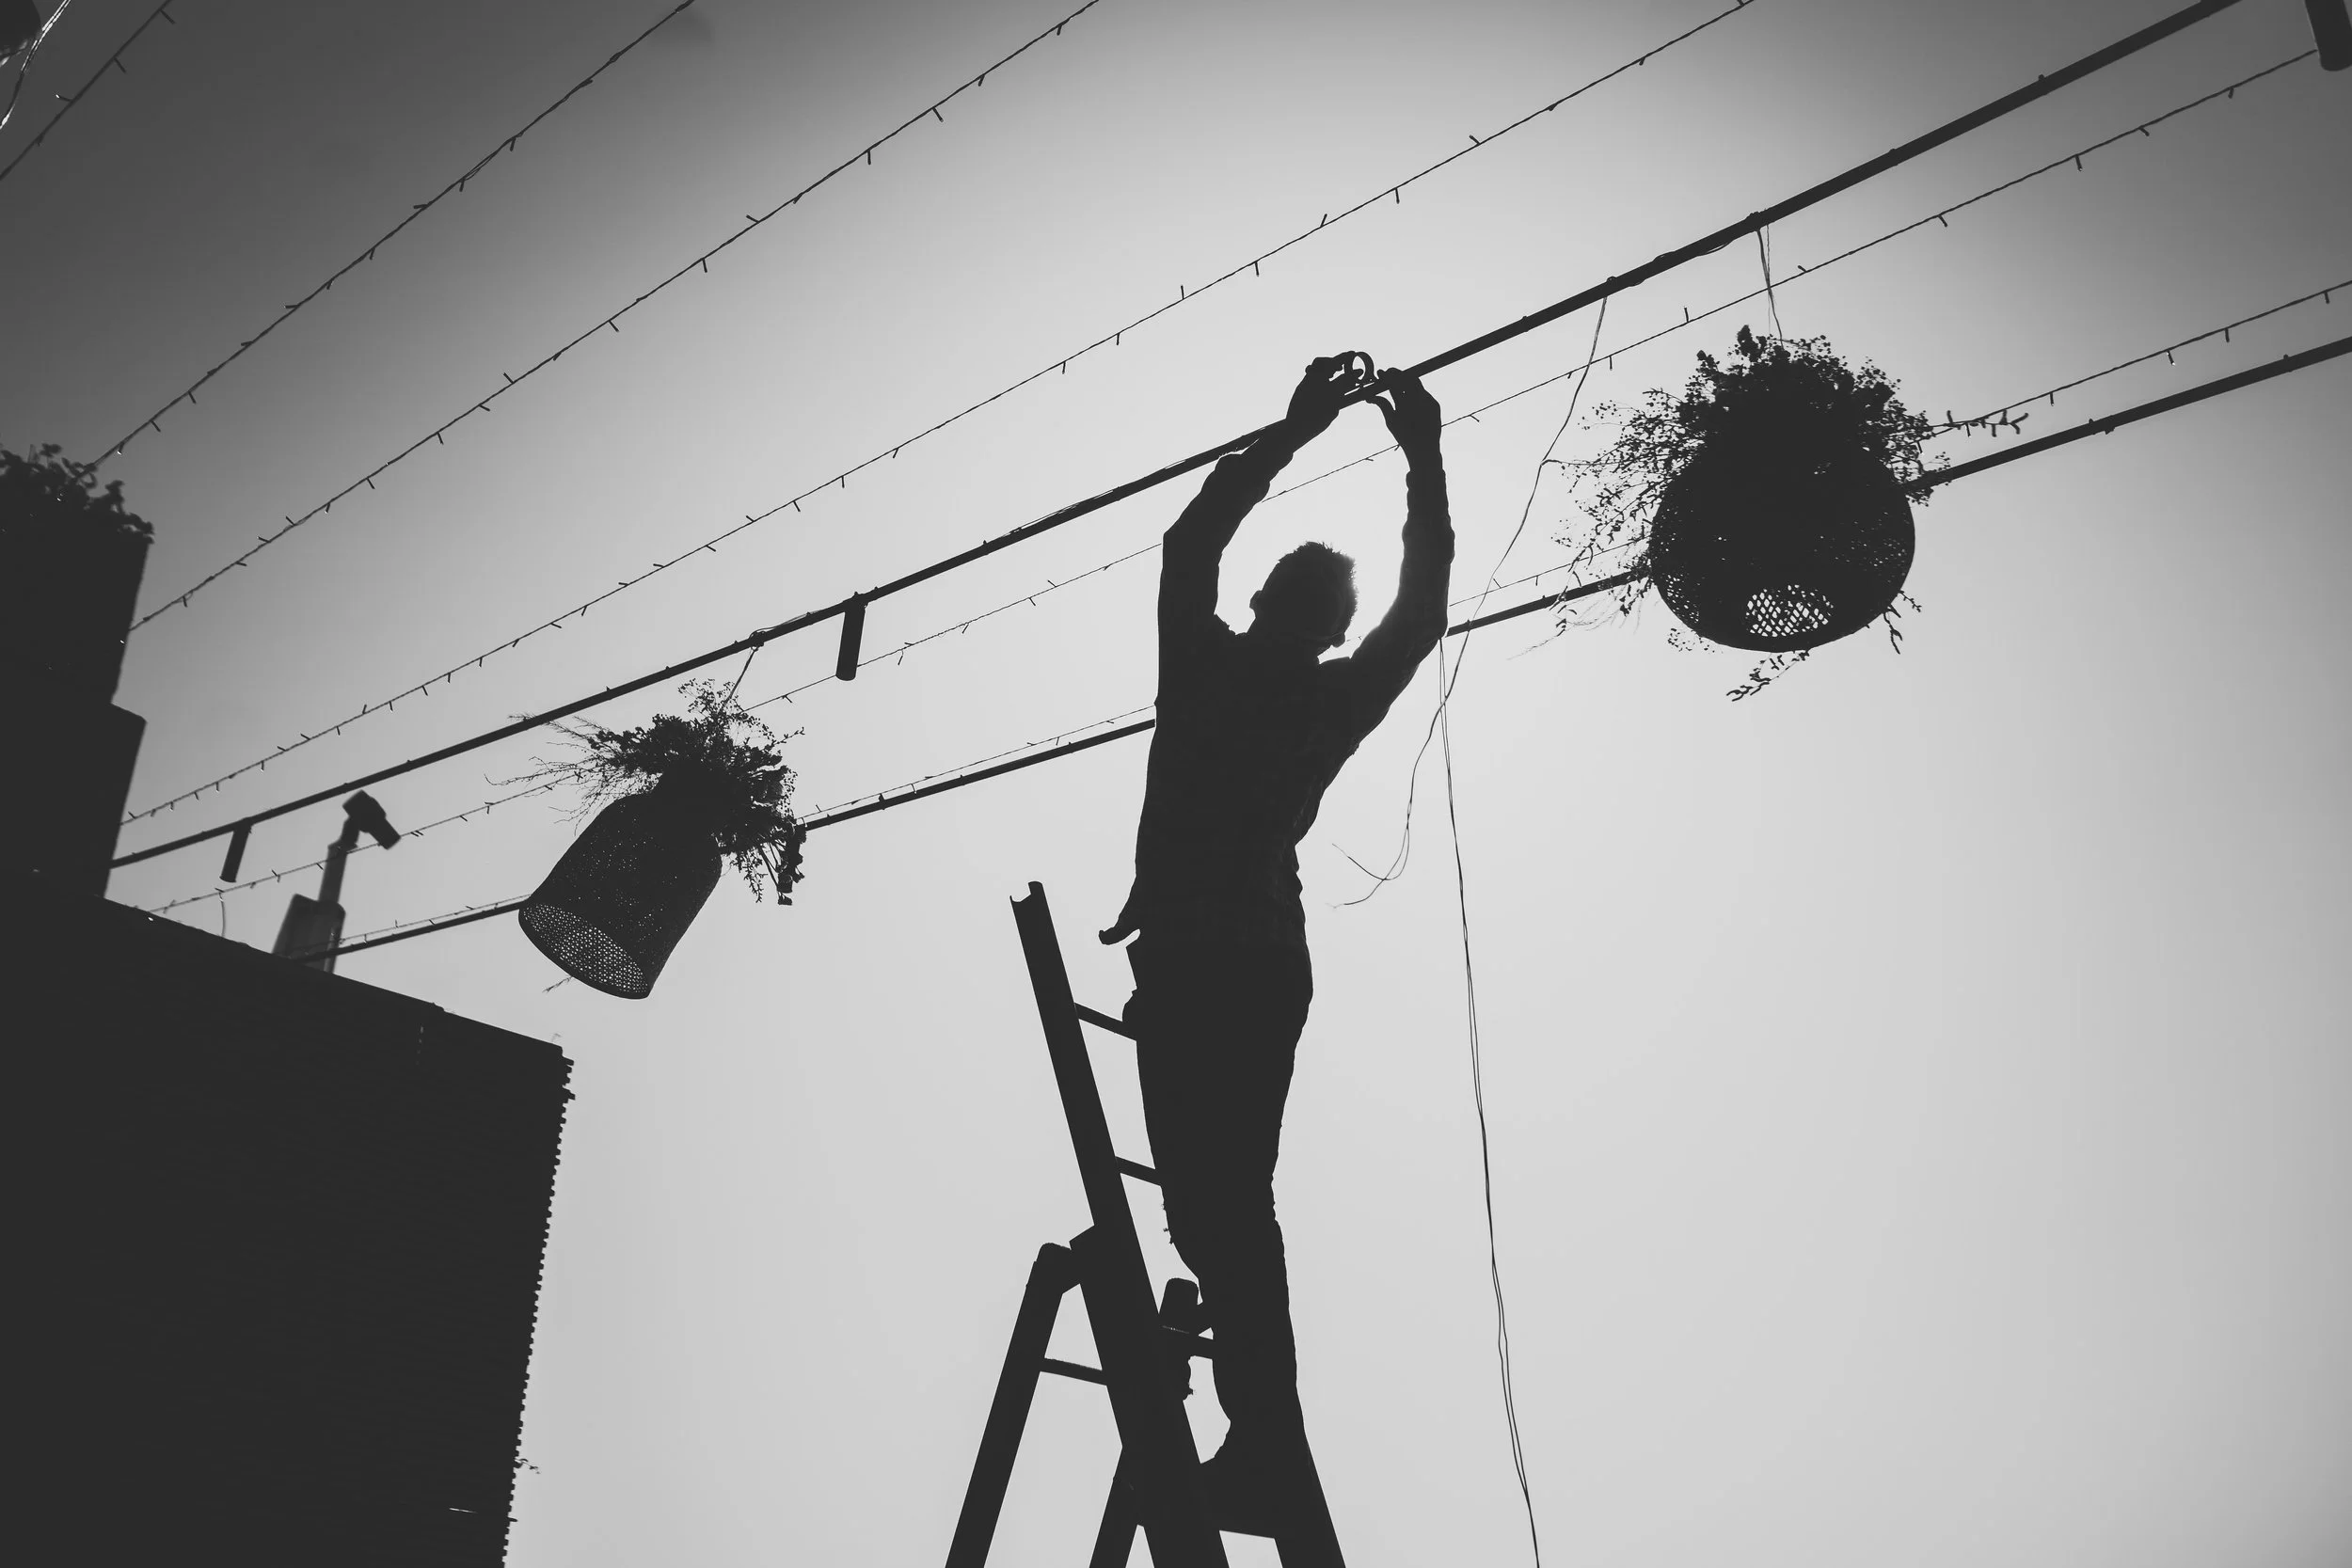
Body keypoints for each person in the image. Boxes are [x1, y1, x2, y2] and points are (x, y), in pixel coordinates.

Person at [1101, 354, 1452, 1530]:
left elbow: (1189, 539)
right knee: (1222, 1208)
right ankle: (1261, 1430)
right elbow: (1423, 610)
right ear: (1324, 628)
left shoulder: (1205, 663)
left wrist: (1296, 431)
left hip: (1213, 962)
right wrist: (1422, 458)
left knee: (1216, 1210)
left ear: (1265, 605)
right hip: (1254, 962)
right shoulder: (1323, 698)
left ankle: (1262, 1434)